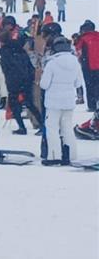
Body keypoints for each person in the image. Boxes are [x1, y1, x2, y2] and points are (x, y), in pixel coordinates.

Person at [40, 37, 84, 165]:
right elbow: (78, 83)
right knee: (67, 128)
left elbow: (44, 84)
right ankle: (70, 155)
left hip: (53, 102)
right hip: (69, 101)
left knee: (52, 129)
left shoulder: (52, 63)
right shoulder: (75, 62)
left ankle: (54, 155)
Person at [77, 21, 99, 111]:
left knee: (89, 86)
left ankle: (92, 106)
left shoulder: (82, 39)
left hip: (88, 66)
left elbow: (78, 52)